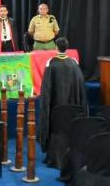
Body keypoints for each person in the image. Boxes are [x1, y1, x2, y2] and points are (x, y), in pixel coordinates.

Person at [38, 37, 88, 167]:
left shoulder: (51, 63)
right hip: (73, 108)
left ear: (56, 47)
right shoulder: (74, 63)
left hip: (57, 109)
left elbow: (47, 90)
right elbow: (80, 86)